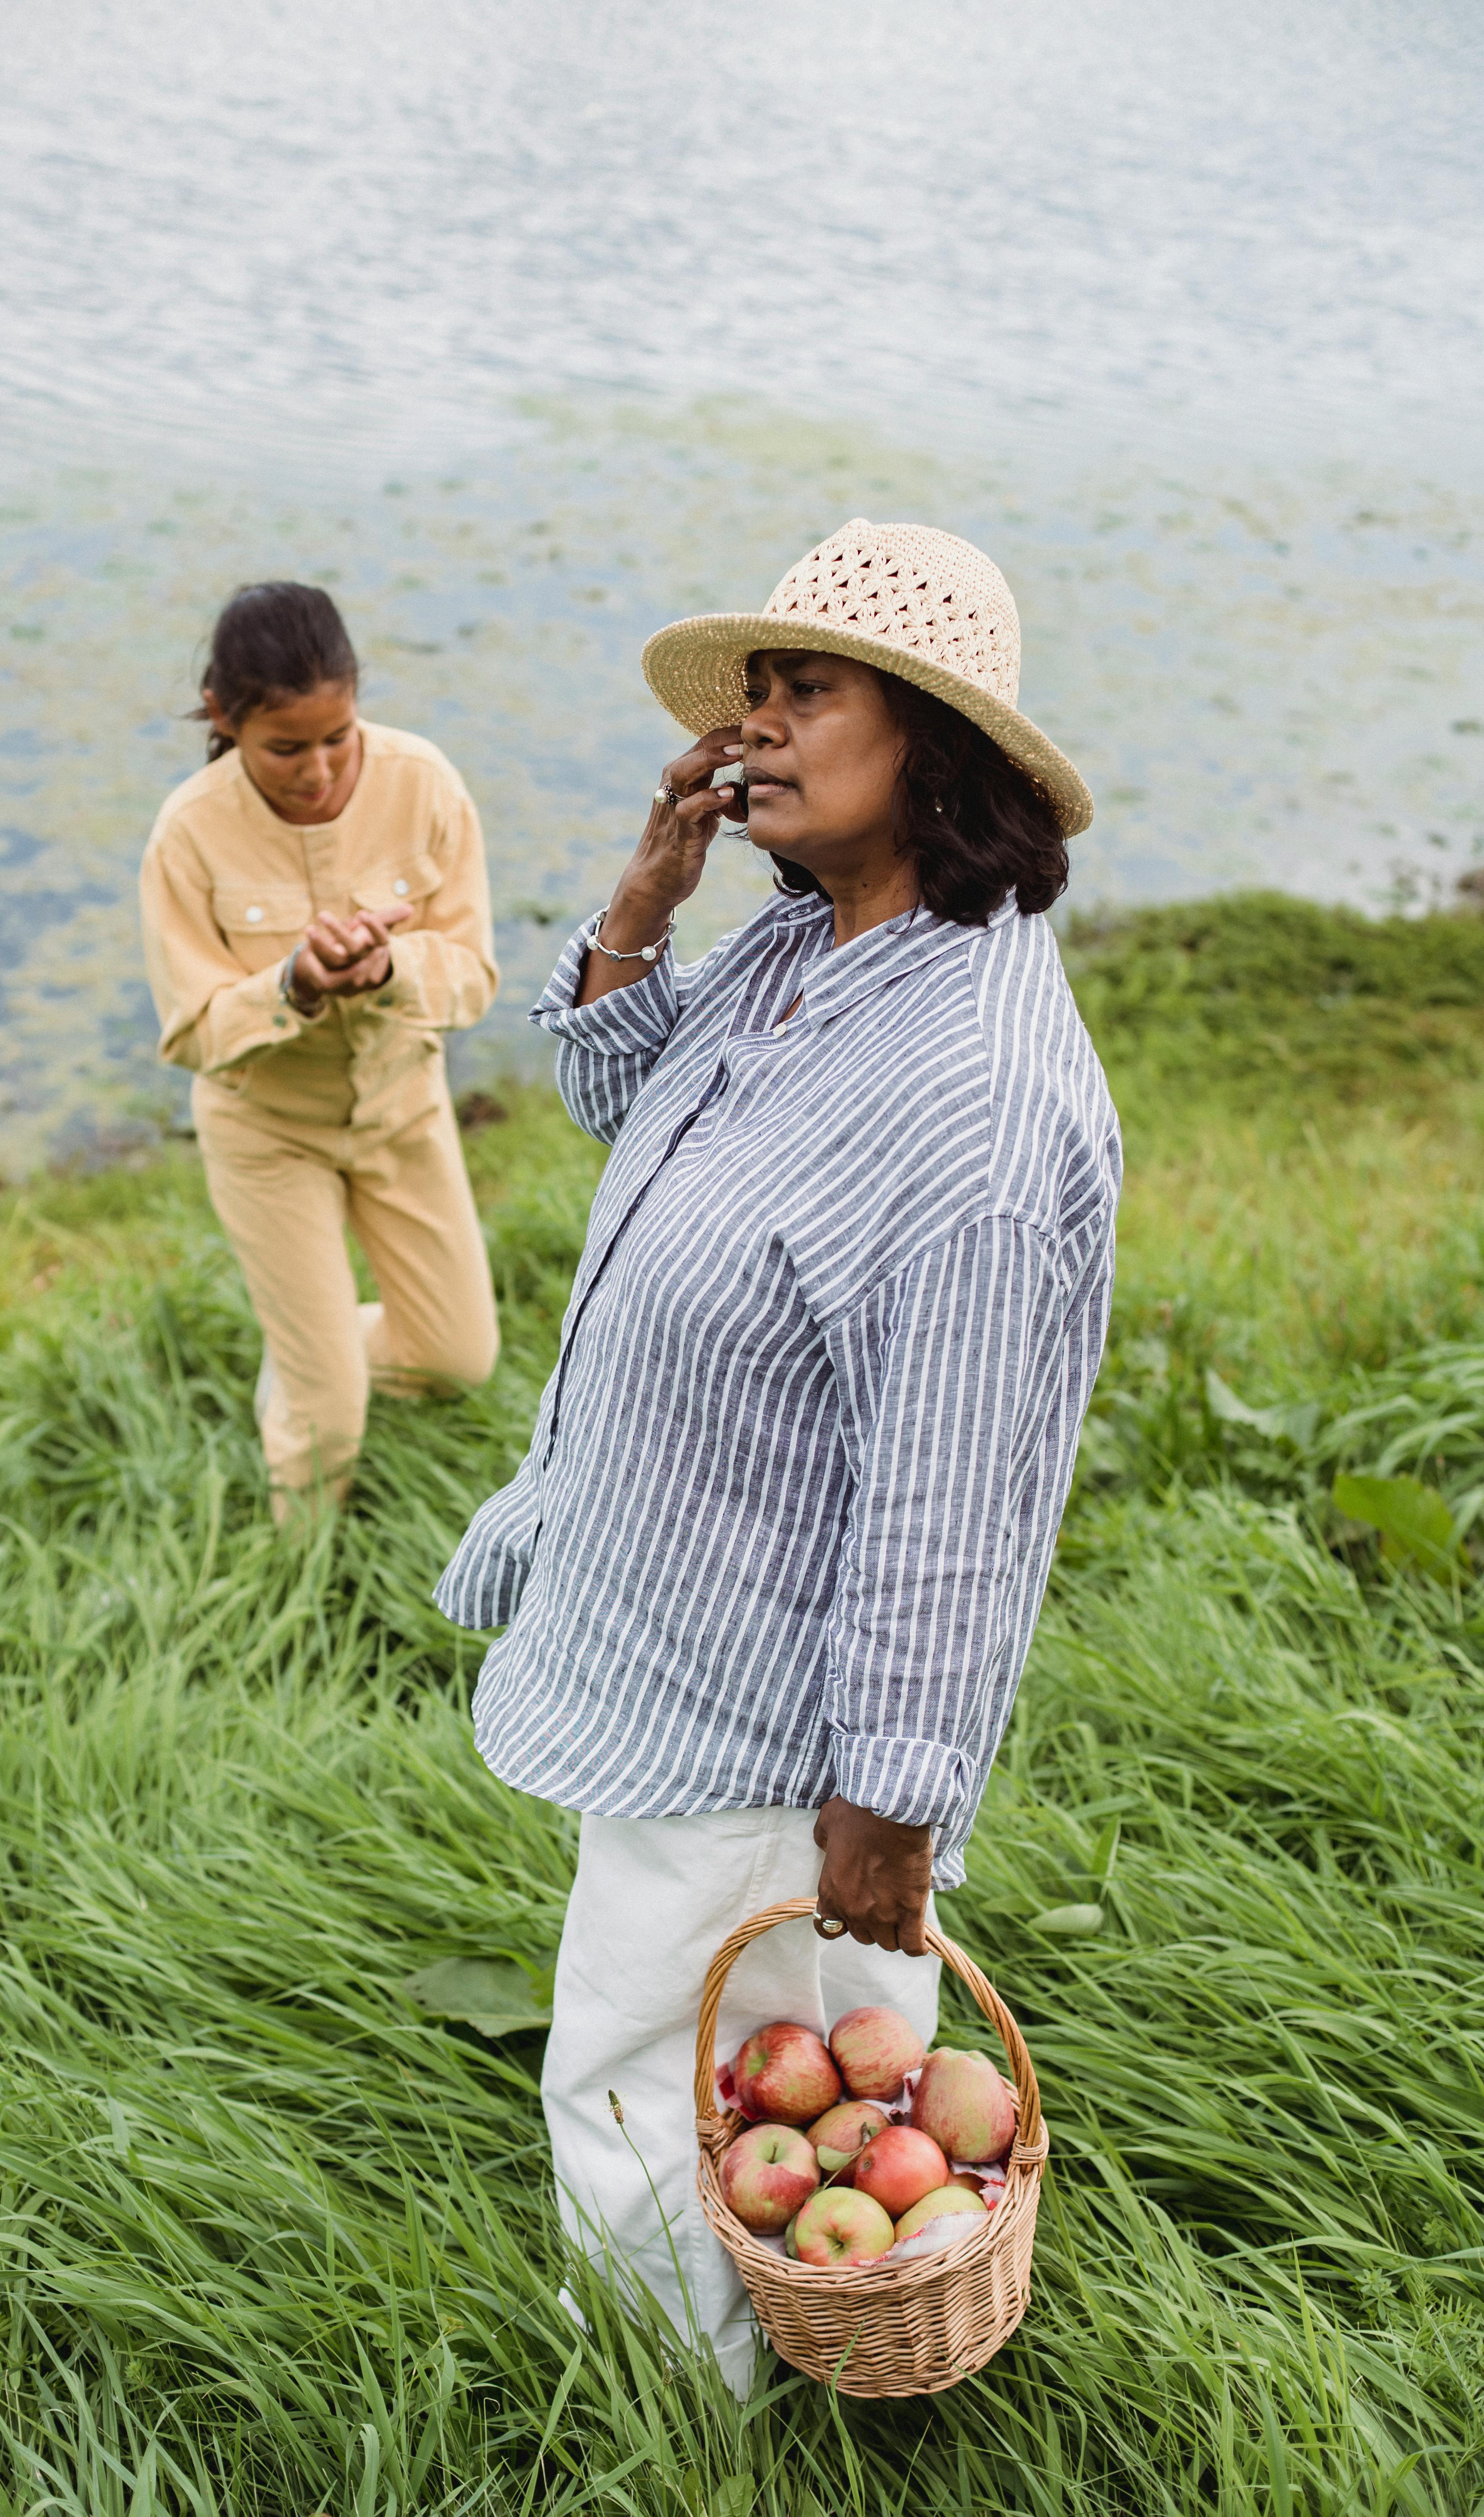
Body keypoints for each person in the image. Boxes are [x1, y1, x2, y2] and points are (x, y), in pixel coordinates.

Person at [436, 519, 1121, 2388]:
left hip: (757, 1704)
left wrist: (887, 1803)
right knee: (789, 2079)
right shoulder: (805, 947)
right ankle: (783, 2374)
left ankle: (668, 2423)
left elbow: (956, 1502)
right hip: (673, 1614)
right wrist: (646, 897)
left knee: (634, 2077)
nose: (756, 725)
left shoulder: (976, 1105)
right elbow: (616, 1101)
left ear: (935, 742)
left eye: (804, 689)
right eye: (755, 689)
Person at [141, 582, 499, 1518]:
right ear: (224, 718)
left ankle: (306, 1354)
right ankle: (297, 1584)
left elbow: (473, 977)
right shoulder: (188, 833)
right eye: (285, 749)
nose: (318, 771)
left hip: (402, 1109)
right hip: (270, 1133)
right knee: (329, 1409)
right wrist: (291, 985)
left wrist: (391, 969)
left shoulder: (425, 785)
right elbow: (190, 1031)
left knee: (457, 1360)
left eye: (337, 738)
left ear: (356, 698)